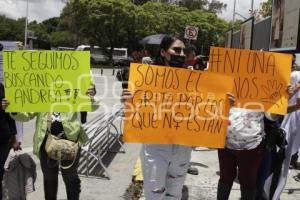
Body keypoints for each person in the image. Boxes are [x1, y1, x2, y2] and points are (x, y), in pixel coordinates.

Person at [2, 85, 98, 200]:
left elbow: (93, 106)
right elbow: (27, 115)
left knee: (70, 177)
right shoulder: (41, 87)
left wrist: (90, 97)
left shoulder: (74, 83)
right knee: (49, 178)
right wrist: (14, 108)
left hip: (70, 141)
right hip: (45, 142)